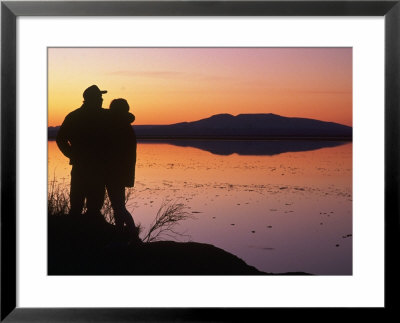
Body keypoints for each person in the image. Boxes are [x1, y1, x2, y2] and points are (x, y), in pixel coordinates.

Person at [56, 85, 108, 219]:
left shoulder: (75, 116)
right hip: (90, 166)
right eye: (99, 97)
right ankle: (82, 233)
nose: (102, 100)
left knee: (83, 205)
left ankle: (81, 231)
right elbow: (61, 139)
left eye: (101, 97)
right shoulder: (103, 116)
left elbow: (60, 139)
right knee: (84, 205)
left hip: (90, 166)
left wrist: (72, 154)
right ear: (92, 99)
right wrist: (72, 154)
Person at [105, 98, 140, 243]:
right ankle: (121, 232)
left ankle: (132, 233)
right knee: (118, 206)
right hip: (120, 173)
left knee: (118, 206)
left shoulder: (120, 128)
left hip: (116, 173)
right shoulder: (124, 126)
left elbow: (115, 152)